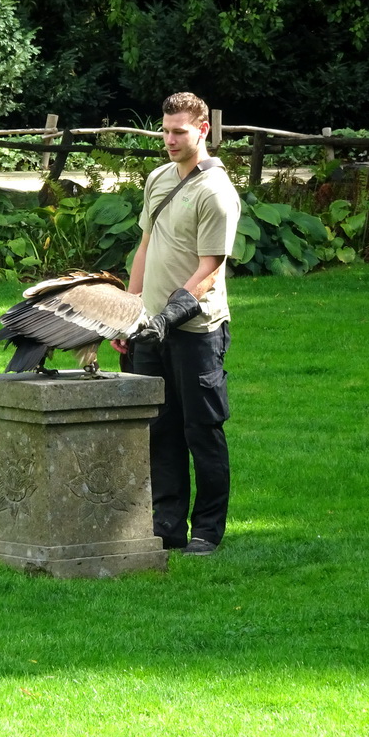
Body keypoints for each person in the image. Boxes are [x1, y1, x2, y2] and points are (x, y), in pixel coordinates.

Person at [111, 91, 240, 556]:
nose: (168, 140)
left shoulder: (217, 192)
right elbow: (145, 247)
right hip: (148, 329)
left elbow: (210, 270)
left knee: (200, 430)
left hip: (196, 331)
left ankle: (207, 530)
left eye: (178, 132)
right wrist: (129, 312)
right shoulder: (158, 178)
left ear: (203, 130)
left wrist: (168, 316)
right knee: (158, 429)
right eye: (164, 131)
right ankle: (166, 527)